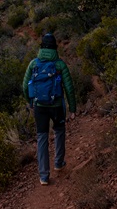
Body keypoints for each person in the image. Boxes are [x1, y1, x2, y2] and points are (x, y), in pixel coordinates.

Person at [22, 32, 76, 185]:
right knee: (59, 132)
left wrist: (30, 102)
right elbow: (69, 88)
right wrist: (73, 108)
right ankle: (58, 163)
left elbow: (25, 86)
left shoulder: (33, 64)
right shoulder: (60, 65)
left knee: (42, 139)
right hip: (57, 105)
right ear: (54, 47)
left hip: (39, 106)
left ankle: (44, 176)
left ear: (42, 47)